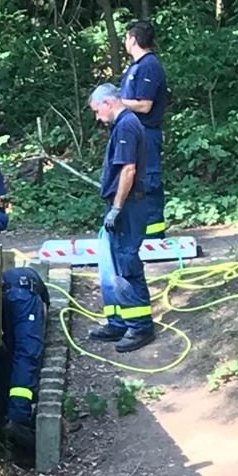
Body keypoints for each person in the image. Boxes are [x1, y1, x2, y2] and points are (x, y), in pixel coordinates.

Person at [88, 83, 155, 353]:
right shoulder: (122, 125)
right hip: (120, 206)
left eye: (96, 111)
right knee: (109, 266)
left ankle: (139, 326)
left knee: (125, 265)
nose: (97, 117)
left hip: (128, 207)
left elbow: (128, 170)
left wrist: (116, 208)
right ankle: (118, 321)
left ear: (107, 103)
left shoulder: (127, 125)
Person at [120, 21, 168, 238]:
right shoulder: (135, 66)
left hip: (147, 132)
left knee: (149, 181)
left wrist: (117, 103)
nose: (124, 42)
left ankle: (153, 234)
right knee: (134, 181)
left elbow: (145, 105)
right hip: (134, 133)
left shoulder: (149, 66)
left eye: (126, 37)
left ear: (133, 39)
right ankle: (137, 230)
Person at [0, 266, 48, 450]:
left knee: (10, 352)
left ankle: (5, 408)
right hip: (22, 296)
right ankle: (18, 417)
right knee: (28, 353)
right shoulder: (37, 298)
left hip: (3, 293)